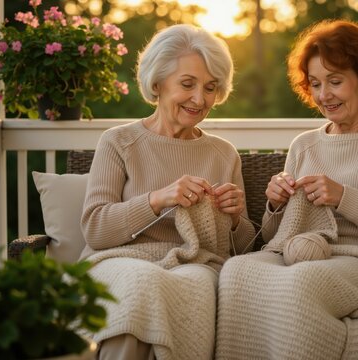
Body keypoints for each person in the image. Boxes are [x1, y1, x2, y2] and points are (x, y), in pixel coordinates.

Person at [215, 19, 358, 359]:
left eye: (335, 81)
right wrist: (276, 204)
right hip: (299, 253)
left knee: (303, 281)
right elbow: (275, 237)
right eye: (315, 84)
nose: (323, 95)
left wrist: (345, 197)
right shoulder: (304, 145)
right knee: (237, 271)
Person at [78, 24, 255, 360]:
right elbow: (96, 228)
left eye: (211, 88)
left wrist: (234, 219)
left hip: (195, 266)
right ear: (157, 83)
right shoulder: (118, 142)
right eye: (187, 84)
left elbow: (243, 249)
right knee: (143, 284)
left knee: (191, 285)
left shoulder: (223, 153)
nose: (199, 99)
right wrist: (158, 200)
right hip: (119, 262)